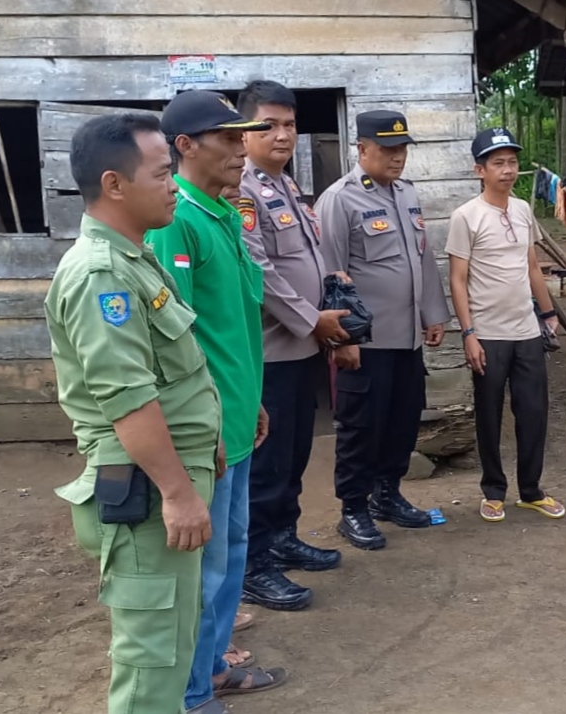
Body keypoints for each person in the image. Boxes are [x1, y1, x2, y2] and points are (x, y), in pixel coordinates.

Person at [45, 112, 222, 713]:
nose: (175, 185)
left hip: (165, 477)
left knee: (171, 646)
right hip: (145, 491)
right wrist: (177, 490)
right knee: (150, 666)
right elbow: (129, 399)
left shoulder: (134, 257)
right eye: (163, 173)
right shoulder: (102, 275)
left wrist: (208, 439)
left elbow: (170, 373)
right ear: (114, 183)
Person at [146, 90, 287, 712]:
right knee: (199, 574)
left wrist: (250, 400)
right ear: (185, 147)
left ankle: (212, 667)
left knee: (228, 558)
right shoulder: (177, 221)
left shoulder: (225, 214)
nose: (243, 149)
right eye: (229, 139)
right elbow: (170, 342)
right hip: (203, 433)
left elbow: (232, 328)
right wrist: (202, 425)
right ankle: (191, 693)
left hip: (235, 420)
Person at [315, 110, 451, 550]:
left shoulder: (407, 194)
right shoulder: (340, 199)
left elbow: (422, 258)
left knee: (402, 418)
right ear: (362, 148)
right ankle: (353, 508)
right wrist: (344, 340)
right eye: (388, 149)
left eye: (402, 149)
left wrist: (434, 313)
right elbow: (330, 274)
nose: (397, 158)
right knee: (360, 426)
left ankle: (387, 495)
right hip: (366, 342)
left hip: (407, 336)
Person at [235, 80, 346, 611]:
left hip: (305, 347)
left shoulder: (287, 187)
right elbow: (258, 270)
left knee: (297, 452)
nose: (282, 135)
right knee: (268, 460)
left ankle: (283, 537)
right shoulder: (243, 191)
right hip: (273, 351)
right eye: (269, 125)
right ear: (245, 130)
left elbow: (311, 260)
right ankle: (255, 562)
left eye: (289, 124)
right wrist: (312, 319)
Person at [447, 127, 566, 523]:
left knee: (534, 412)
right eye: (498, 163)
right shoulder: (466, 216)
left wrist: (548, 315)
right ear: (479, 169)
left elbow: (532, 266)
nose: (508, 170)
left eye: (512, 162)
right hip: (488, 335)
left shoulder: (521, 210)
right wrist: (468, 333)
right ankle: (493, 489)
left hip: (526, 332)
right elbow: (458, 279)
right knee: (489, 413)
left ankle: (531, 490)